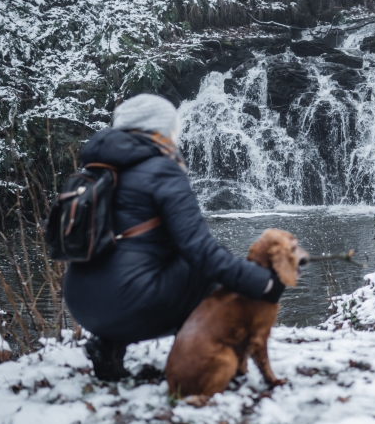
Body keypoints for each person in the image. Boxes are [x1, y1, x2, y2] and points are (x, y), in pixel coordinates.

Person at [63, 94, 285, 381]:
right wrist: (264, 283)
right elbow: (202, 252)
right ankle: (198, 354)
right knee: (205, 271)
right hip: (129, 302)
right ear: (161, 130)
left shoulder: (96, 171)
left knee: (148, 261)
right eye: (173, 128)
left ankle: (108, 345)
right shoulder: (162, 170)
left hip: (81, 303)